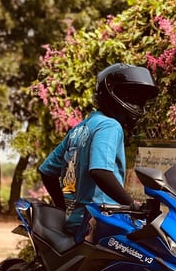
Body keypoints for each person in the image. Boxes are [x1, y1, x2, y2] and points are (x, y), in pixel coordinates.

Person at [38, 63, 159, 236]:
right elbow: (100, 171)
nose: (137, 105)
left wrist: (63, 208)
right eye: (132, 97)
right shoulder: (110, 125)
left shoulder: (80, 128)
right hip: (100, 224)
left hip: (76, 224)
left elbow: (46, 171)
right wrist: (132, 204)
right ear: (112, 94)